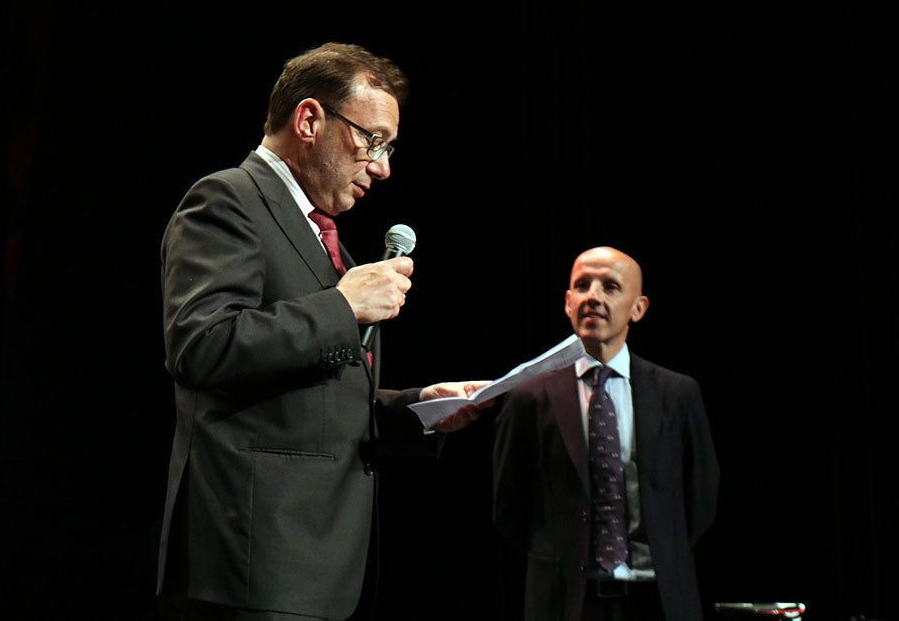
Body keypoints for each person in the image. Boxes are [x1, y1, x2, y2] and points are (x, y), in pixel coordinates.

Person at [155, 42, 491, 620]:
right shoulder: (227, 200)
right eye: (373, 140)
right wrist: (342, 307)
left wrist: (415, 409)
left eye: (389, 147)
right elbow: (202, 347)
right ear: (310, 119)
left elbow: (313, 396)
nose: (383, 166)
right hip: (254, 565)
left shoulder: (321, 234)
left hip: (317, 566)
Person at [492, 246, 720, 621]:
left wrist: (665, 546)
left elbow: (701, 498)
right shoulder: (528, 396)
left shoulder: (678, 394)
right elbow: (509, 507)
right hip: (565, 601)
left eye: (611, 286)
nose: (593, 296)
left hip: (659, 598)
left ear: (638, 308)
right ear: (568, 302)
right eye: (582, 286)